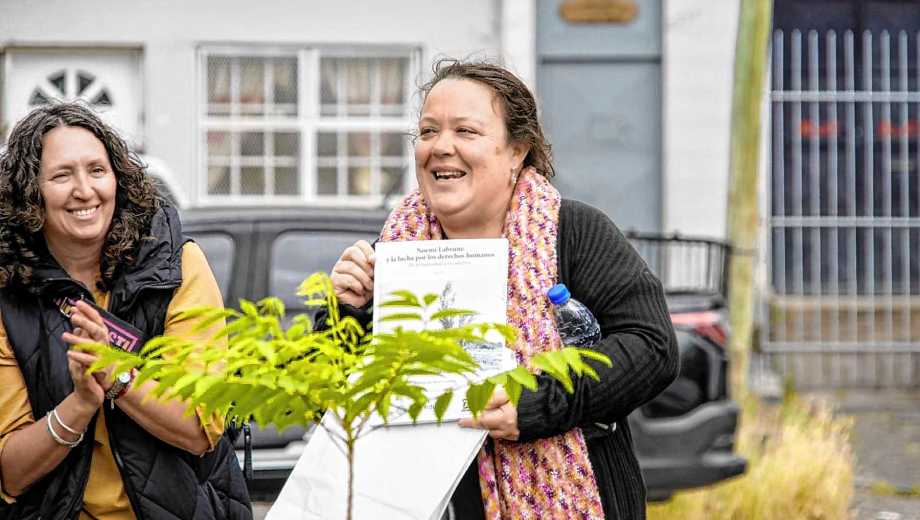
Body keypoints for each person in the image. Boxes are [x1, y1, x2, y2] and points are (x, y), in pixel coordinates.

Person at [330, 59, 679, 520]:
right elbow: (335, 396)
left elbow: (652, 348)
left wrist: (536, 403)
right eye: (429, 131)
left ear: (518, 150)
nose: (441, 148)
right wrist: (346, 313)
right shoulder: (393, 253)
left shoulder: (572, 232)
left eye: (466, 132)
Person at [0, 103, 251, 520]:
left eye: (97, 170)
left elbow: (199, 429)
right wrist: (79, 405)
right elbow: (10, 471)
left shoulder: (177, 265)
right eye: (62, 175)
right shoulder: (8, 291)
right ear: (29, 192)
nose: (85, 190)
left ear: (118, 177)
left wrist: (115, 374)